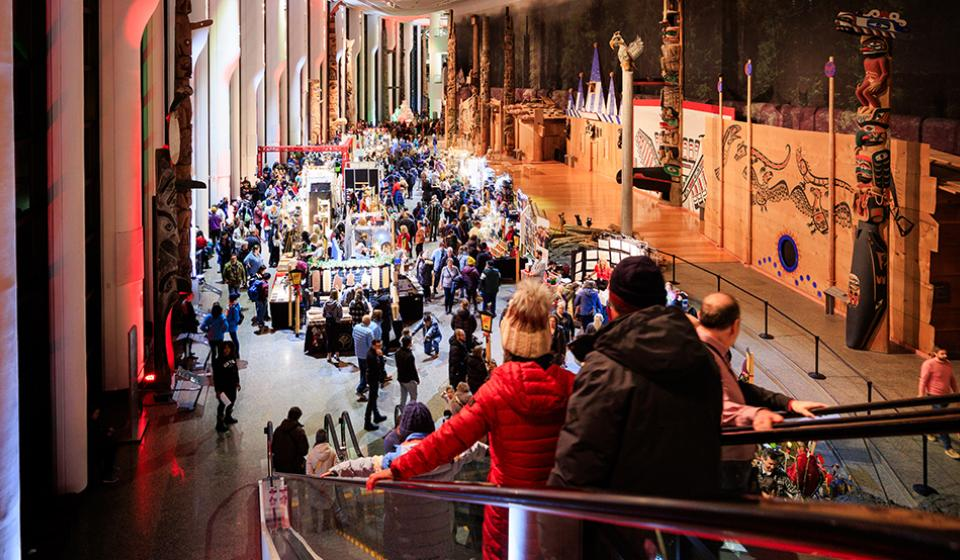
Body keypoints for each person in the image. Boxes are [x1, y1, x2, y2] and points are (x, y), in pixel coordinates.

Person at [367, 280, 575, 560]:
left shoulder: (495, 391)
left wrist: (398, 468)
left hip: (508, 515)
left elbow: (447, 440)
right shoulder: (573, 386)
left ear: (509, 340)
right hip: (559, 517)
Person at [550, 256, 722, 510]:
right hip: (695, 514)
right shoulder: (703, 358)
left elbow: (576, 465)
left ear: (613, 303)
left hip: (627, 516)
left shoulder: (604, 368)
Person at [696, 293, 827, 492]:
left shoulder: (706, 349)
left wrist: (788, 403)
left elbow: (739, 388)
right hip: (721, 460)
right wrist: (756, 414)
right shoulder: (701, 354)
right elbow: (714, 405)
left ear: (700, 315)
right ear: (735, 326)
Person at [326, 403, 486, 560]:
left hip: (403, 546)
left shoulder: (393, 461)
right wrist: (487, 450)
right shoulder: (448, 457)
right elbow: (471, 449)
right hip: (439, 544)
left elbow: (365, 465)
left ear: (403, 432)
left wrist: (337, 470)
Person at [919, 347, 959, 459]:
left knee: (935, 416)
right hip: (934, 396)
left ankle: (928, 431)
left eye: (946, 353)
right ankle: (948, 447)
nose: (945, 356)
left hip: (946, 395)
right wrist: (921, 394)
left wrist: (956, 392)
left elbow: (951, 379)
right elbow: (923, 380)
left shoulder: (948, 363)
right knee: (942, 420)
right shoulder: (928, 364)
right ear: (935, 353)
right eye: (942, 354)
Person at [213, 341, 241, 433]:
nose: (226, 350)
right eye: (225, 348)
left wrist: (237, 382)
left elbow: (235, 371)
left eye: (228, 348)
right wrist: (218, 390)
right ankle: (219, 423)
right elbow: (216, 377)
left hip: (232, 385)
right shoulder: (218, 362)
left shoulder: (232, 359)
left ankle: (228, 417)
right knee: (222, 404)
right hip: (223, 387)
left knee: (232, 400)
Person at [272, 407, 309, 474]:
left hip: (279, 467)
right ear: (298, 417)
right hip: (295, 468)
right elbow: (304, 451)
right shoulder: (299, 432)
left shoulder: (278, 430)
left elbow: (273, 448)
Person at [364, 339, 389, 431]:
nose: (380, 348)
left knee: (374, 398)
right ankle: (367, 422)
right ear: (373, 346)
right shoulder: (371, 356)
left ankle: (376, 416)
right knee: (371, 401)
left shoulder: (374, 353)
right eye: (378, 346)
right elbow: (379, 367)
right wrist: (381, 357)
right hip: (372, 379)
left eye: (380, 346)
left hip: (374, 378)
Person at [352, 315, 375, 402]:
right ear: (369, 322)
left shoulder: (356, 327)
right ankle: (359, 389)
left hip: (358, 353)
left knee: (362, 370)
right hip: (366, 356)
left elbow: (353, 336)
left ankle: (364, 385)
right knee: (367, 373)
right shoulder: (369, 332)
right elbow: (371, 345)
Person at [396, 336, 420, 407]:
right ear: (409, 343)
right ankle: (410, 410)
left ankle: (402, 408)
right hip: (409, 380)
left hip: (400, 377)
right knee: (413, 396)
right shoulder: (409, 356)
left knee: (403, 395)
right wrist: (417, 379)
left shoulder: (397, 352)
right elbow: (412, 369)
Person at [323, 291, 343, 363]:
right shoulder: (338, 304)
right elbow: (340, 315)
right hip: (336, 324)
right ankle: (337, 356)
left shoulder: (326, 303)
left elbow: (323, 314)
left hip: (328, 323)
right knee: (336, 339)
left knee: (329, 340)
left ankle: (329, 356)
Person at [225, 293, 243, 358]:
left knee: (235, 340)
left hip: (232, 326)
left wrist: (228, 322)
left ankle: (236, 353)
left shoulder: (234, 308)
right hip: (231, 326)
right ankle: (236, 352)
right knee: (234, 339)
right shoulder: (234, 306)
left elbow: (236, 319)